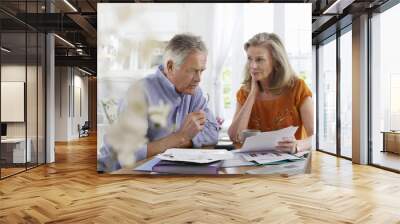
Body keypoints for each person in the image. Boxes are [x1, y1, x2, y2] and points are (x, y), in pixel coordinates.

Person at [99, 34, 219, 171]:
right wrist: (180, 137)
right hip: (114, 173)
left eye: (201, 71)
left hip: (160, 171)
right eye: (193, 71)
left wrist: (184, 140)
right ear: (170, 67)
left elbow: (212, 132)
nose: (198, 79)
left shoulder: (194, 92)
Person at [228, 32, 314, 154]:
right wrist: (252, 94)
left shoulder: (298, 88)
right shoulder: (244, 93)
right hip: (252, 166)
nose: (252, 66)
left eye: (259, 60)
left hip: (290, 165)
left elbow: (316, 137)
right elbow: (234, 137)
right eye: (249, 59)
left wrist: (298, 145)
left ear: (276, 62)